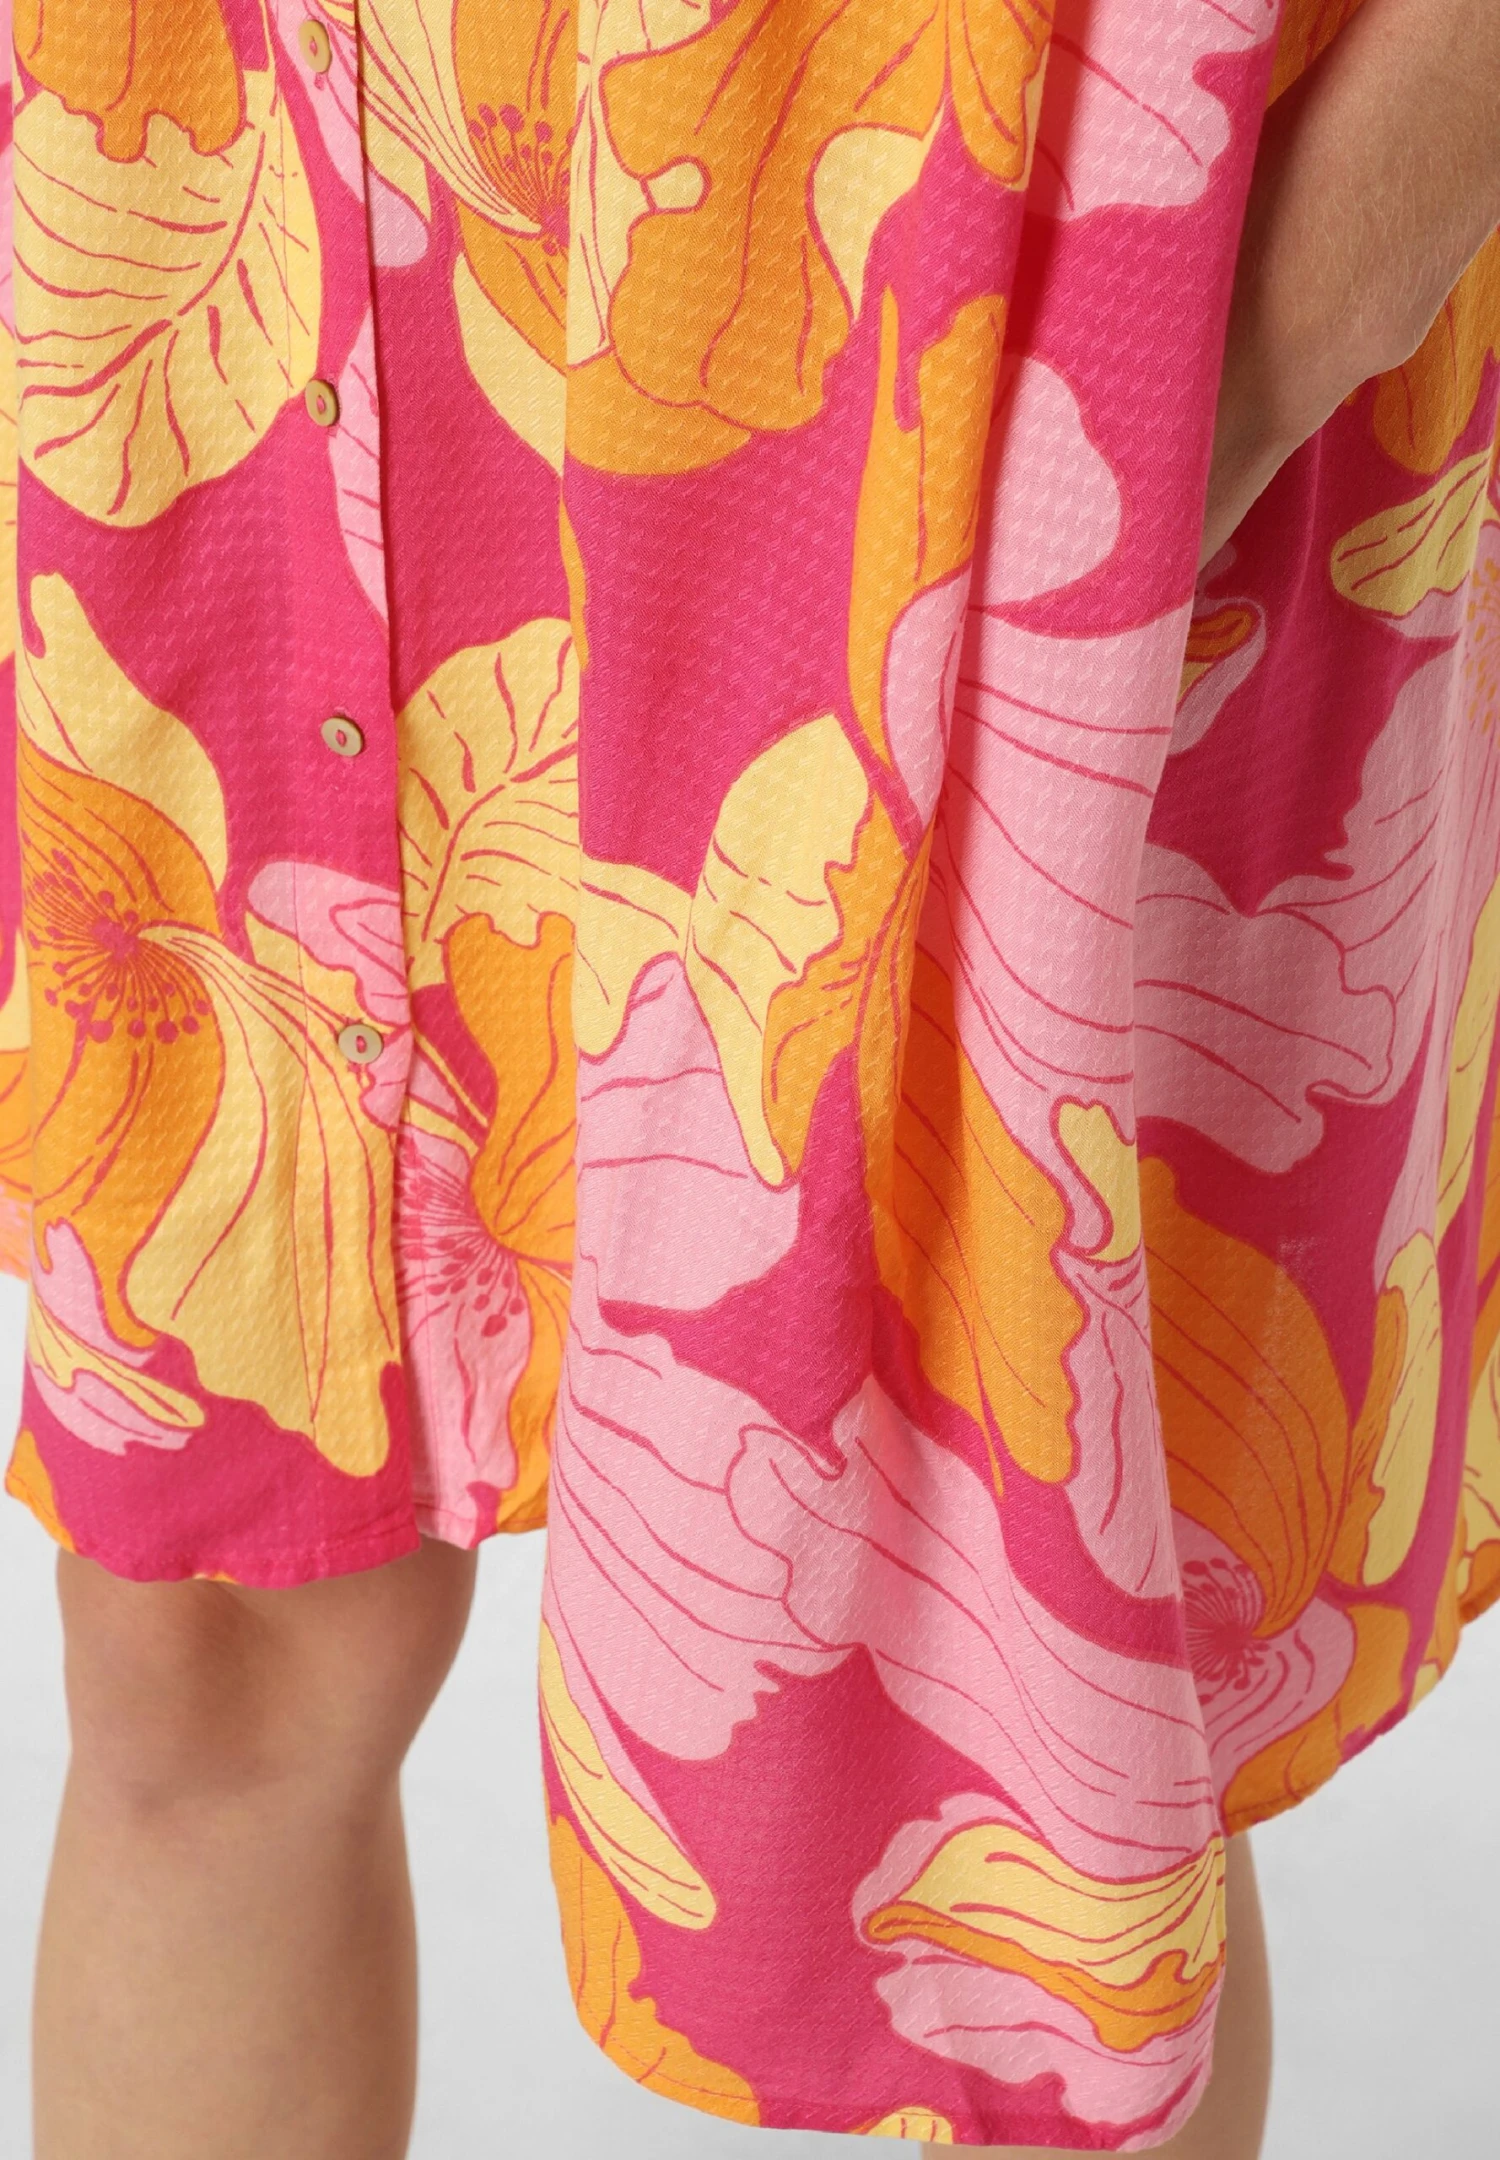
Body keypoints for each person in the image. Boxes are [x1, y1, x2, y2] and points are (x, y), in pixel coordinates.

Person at [3, 0, 1498, 2154]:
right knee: (206, 1636)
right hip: (260, 126)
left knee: (1029, 1738)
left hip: (974, 211)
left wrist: (1305, 295)